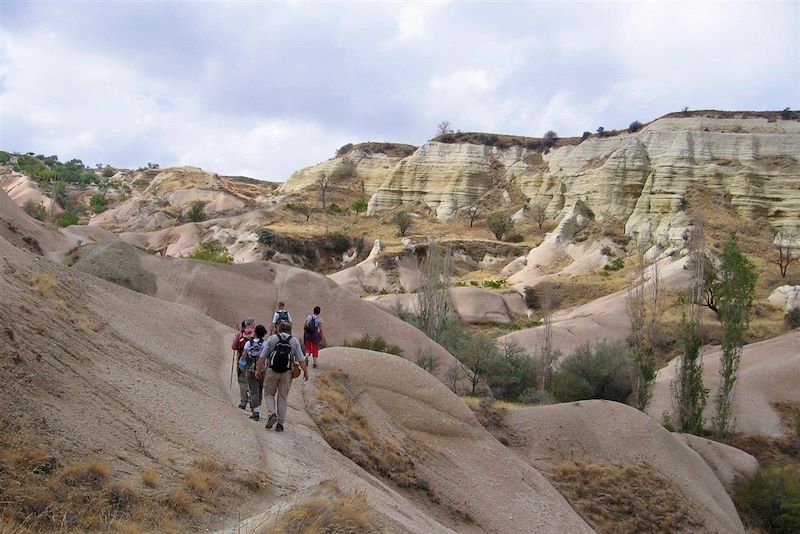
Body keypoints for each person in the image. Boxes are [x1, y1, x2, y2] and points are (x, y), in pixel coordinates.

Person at [256, 322, 308, 432]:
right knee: (283, 397)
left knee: (269, 394)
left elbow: (262, 357)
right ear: (290, 330)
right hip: (286, 373)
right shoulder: (294, 341)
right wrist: (306, 372)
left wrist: (258, 370)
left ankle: (271, 415)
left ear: (278, 328)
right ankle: (280, 424)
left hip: (272, 370)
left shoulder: (272, 338)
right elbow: (301, 359)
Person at [240, 325, 268, 421]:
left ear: (255, 332)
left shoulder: (249, 343)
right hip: (262, 369)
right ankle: (257, 408)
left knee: (253, 390)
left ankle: (255, 412)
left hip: (251, 369)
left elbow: (244, 355)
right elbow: (266, 357)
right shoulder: (265, 343)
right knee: (259, 390)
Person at [231, 319, 255, 410]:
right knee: (252, 382)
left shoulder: (240, 334)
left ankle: (243, 402)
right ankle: (253, 404)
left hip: (242, 360)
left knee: (242, 381)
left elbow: (234, 346)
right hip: (254, 362)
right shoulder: (256, 335)